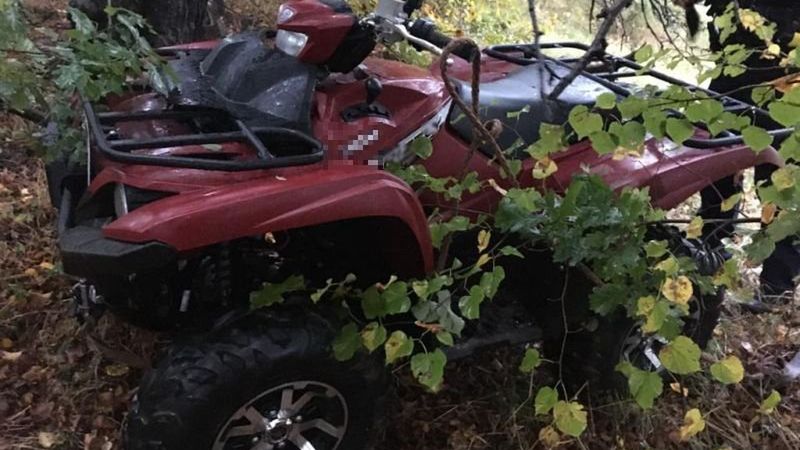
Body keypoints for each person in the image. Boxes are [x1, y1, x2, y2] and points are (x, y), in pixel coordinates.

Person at [676, 0, 800, 308]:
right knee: (714, 164)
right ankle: (707, 254)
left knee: (779, 185)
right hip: (732, 73)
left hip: (787, 79)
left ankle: (776, 289)